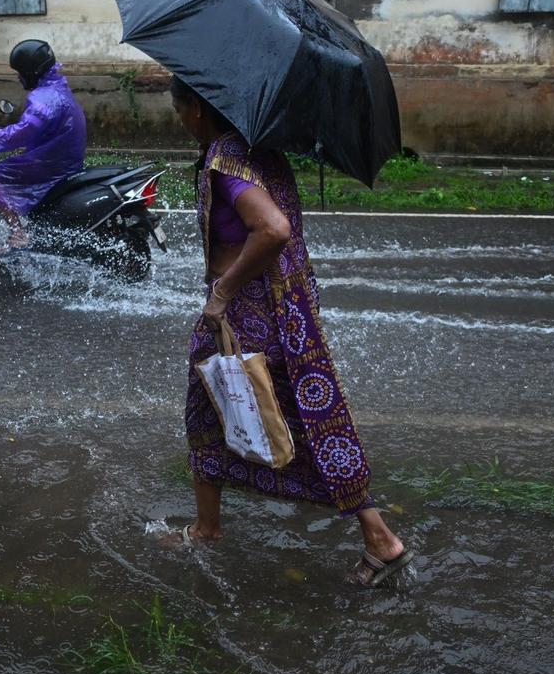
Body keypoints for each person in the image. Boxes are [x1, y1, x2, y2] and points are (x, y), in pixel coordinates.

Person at [169, 75, 415, 587]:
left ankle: (211, 530)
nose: (178, 117)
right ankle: (373, 536)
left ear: (194, 108)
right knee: (303, 422)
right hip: (286, 311)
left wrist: (222, 293)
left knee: (209, 408)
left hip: (249, 314)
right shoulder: (260, 151)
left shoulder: (226, 162)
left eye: (178, 107)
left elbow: (274, 229)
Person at [0, 40, 87, 252]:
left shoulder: (43, 99)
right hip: (63, 159)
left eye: (20, 72)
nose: (18, 77)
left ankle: (18, 234)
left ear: (31, 72)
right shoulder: (57, 88)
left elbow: (24, 131)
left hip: (52, 163)